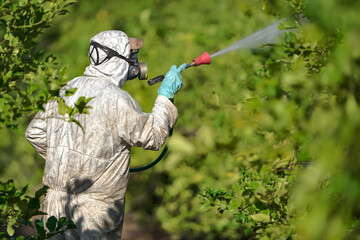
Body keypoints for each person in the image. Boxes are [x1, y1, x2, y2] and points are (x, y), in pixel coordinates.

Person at [25, 30, 186, 239]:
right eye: (131, 56)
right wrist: (165, 97)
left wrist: (65, 159)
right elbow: (153, 137)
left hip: (56, 207)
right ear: (117, 61)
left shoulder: (67, 90)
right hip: (96, 212)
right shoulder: (117, 99)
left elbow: (34, 132)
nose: (134, 63)